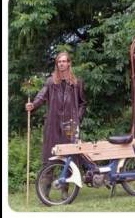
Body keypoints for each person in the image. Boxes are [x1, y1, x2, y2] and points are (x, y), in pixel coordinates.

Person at [25, 51, 87, 199]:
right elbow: (41, 95)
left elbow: (83, 103)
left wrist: (77, 118)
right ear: (57, 64)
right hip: (53, 124)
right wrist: (32, 105)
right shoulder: (51, 82)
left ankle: (65, 191)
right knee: (49, 157)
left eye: (64, 61)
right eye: (59, 61)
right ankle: (45, 192)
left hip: (70, 126)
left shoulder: (76, 83)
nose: (62, 64)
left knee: (69, 157)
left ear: (69, 63)